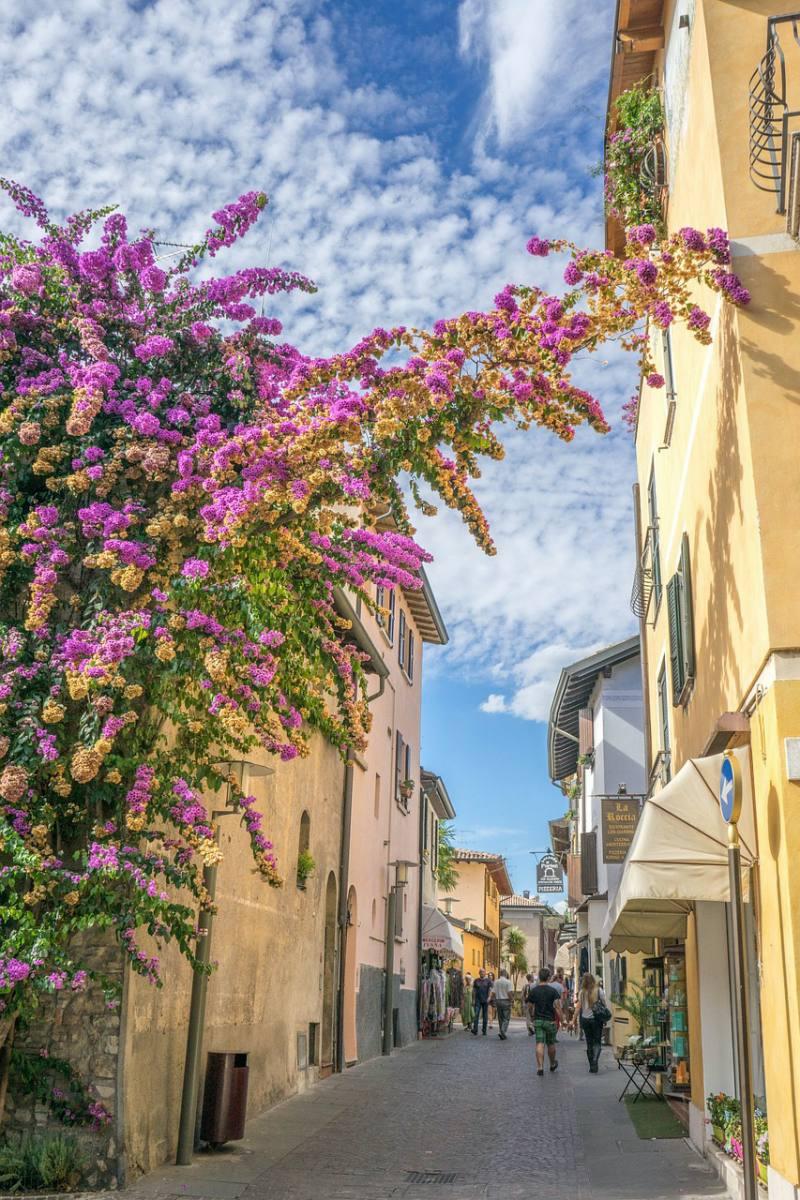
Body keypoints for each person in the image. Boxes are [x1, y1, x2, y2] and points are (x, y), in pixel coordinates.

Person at [528, 966, 561, 1076]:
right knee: (551, 1043)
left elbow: (530, 1006)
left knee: (539, 1043)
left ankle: (540, 1067)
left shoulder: (534, 990)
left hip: (538, 1020)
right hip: (550, 1021)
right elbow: (557, 1006)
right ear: (548, 977)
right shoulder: (553, 991)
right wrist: (562, 1019)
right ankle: (552, 1064)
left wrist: (532, 1016)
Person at [578, 972, 607, 1073]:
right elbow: (604, 1003)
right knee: (597, 1041)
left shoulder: (581, 992)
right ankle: (595, 1060)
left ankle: (592, 1066)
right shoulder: (599, 990)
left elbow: (580, 1006)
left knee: (589, 1042)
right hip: (596, 1020)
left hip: (585, 1020)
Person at [490, 969, 514, 1040]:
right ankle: (502, 1031)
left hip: (498, 1001)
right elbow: (509, 993)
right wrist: (512, 1000)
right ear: (506, 974)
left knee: (500, 1018)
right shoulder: (508, 982)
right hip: (506, 1001)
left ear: (500, 974)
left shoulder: (496, 982)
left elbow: (493, 992)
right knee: (506, 1018)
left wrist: (490, 998)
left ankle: (501, 1032)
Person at [471, 968, 492, 1036]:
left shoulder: (488, 981)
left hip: (485, 1000)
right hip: (478, 1000)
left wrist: (489, 997)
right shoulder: (476, 980)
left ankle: (484, 1030)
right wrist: (473, 999)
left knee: (485, 1016)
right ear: (479, 973)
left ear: (485, 973)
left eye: (483, 972)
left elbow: (490, 989)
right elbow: (474, 990)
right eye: (481, 972)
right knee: (476, 1015)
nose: (482, 973)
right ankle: (475, 1029)